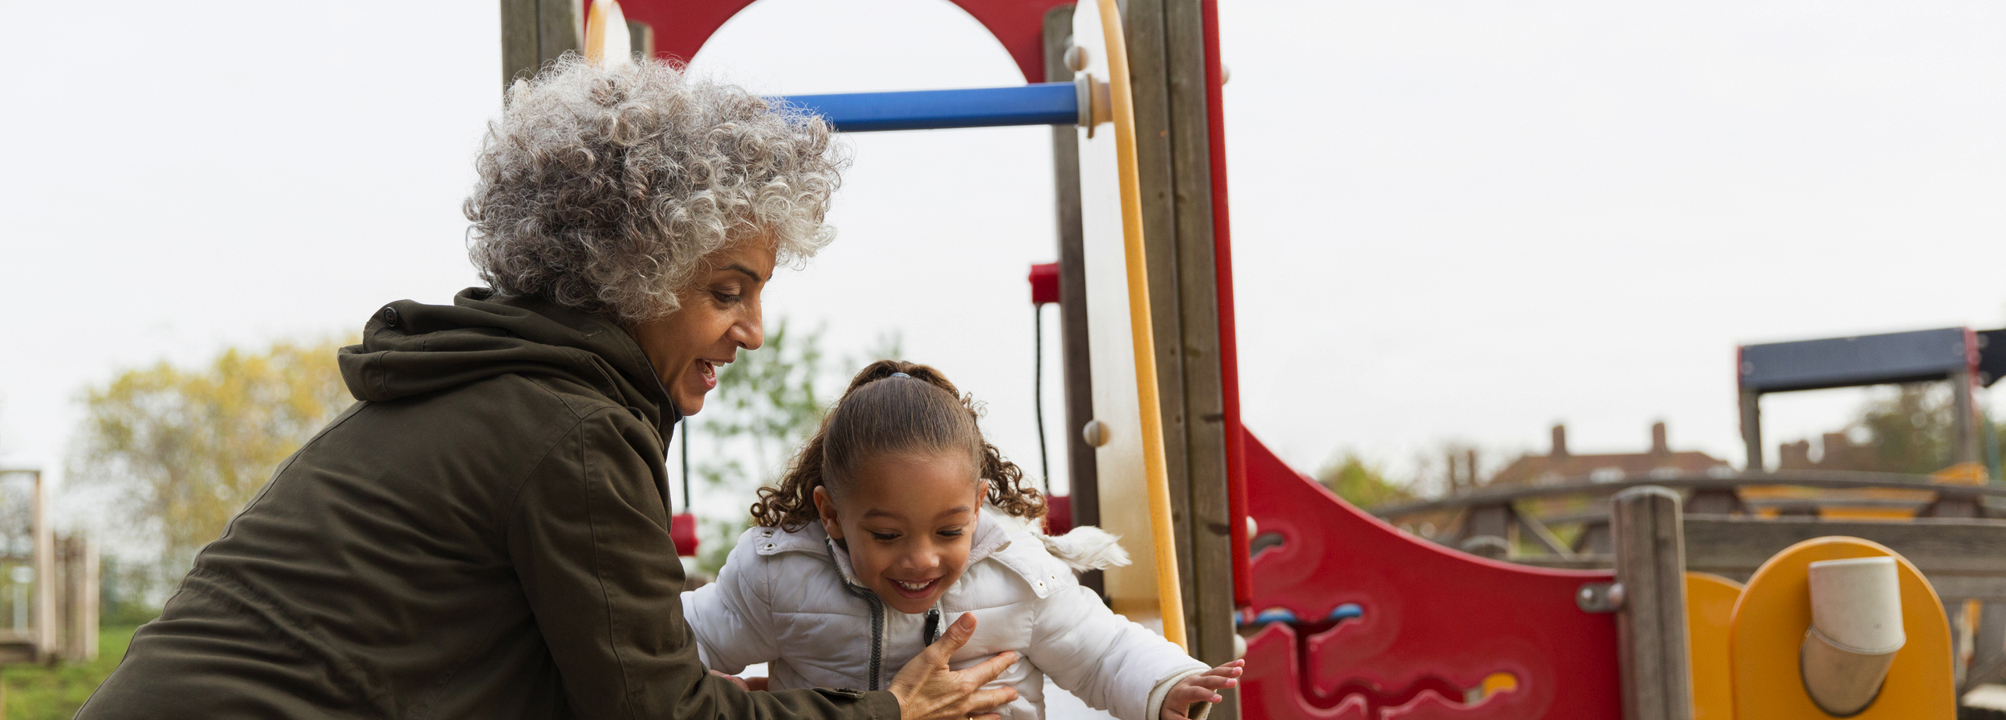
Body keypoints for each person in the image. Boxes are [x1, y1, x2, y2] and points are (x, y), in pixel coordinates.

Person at [78, 57, 1018, 720]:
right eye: (726, 292)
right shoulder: (568, 431)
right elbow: (658, 713)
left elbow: (612, 656)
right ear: (633, 275)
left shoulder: (495, 386)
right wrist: (882, 711)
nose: (753, 332)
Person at [683, 361, 1243, 720]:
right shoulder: (781, 577)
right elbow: (680, 639)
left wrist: (1166, 683)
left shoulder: (1016, 573)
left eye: (949, 531)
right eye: (885, 534)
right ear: (830, 515)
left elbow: (1101, 652)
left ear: (978, 506)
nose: (920, 558)